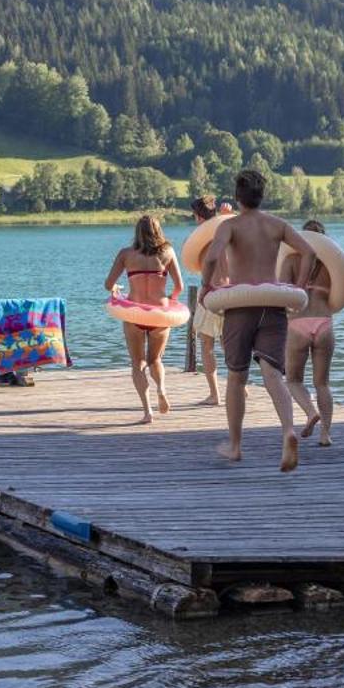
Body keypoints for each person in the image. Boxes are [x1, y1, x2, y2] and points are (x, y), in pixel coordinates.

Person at [200, 169, 315, 470]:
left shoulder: (231, 226)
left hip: (240, 310)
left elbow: (212, 257)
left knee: (237, 377)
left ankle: (235, 446)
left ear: (238, 198)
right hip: (272, 306)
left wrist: (205, 288)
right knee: (273, 374)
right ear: (262, 196)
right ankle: (288, 430)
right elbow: (309, 252)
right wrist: (299, 288)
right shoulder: (277, 225)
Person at [103, 214, 184, 423]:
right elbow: (179, 287)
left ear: (137, 232)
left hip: (134, 313)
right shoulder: (168, 252)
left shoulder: (126, 254)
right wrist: (172, 302)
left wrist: (115, 289)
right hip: (160, 313)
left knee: (138, 362)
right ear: (158, 231)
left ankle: (147, 411)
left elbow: (108, 283)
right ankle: (162, 390)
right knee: (155, 359)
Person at [284, 219, 337, 447]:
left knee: (294, 380)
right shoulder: (333, 265)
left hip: (297, 323)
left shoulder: (291, 260)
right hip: (324, 323)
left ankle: (310, 411)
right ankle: (325, 434)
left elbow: (282, 294)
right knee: (322, 383)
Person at [189, 196, 227, 406]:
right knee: (228, 343)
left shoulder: (202, 241)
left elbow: (207, 270)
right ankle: (241, 386)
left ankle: (214, 394)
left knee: (206, 343)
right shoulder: (227, 233)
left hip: (211, 292)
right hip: (231, 292)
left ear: (198, 216)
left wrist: (204, 292)